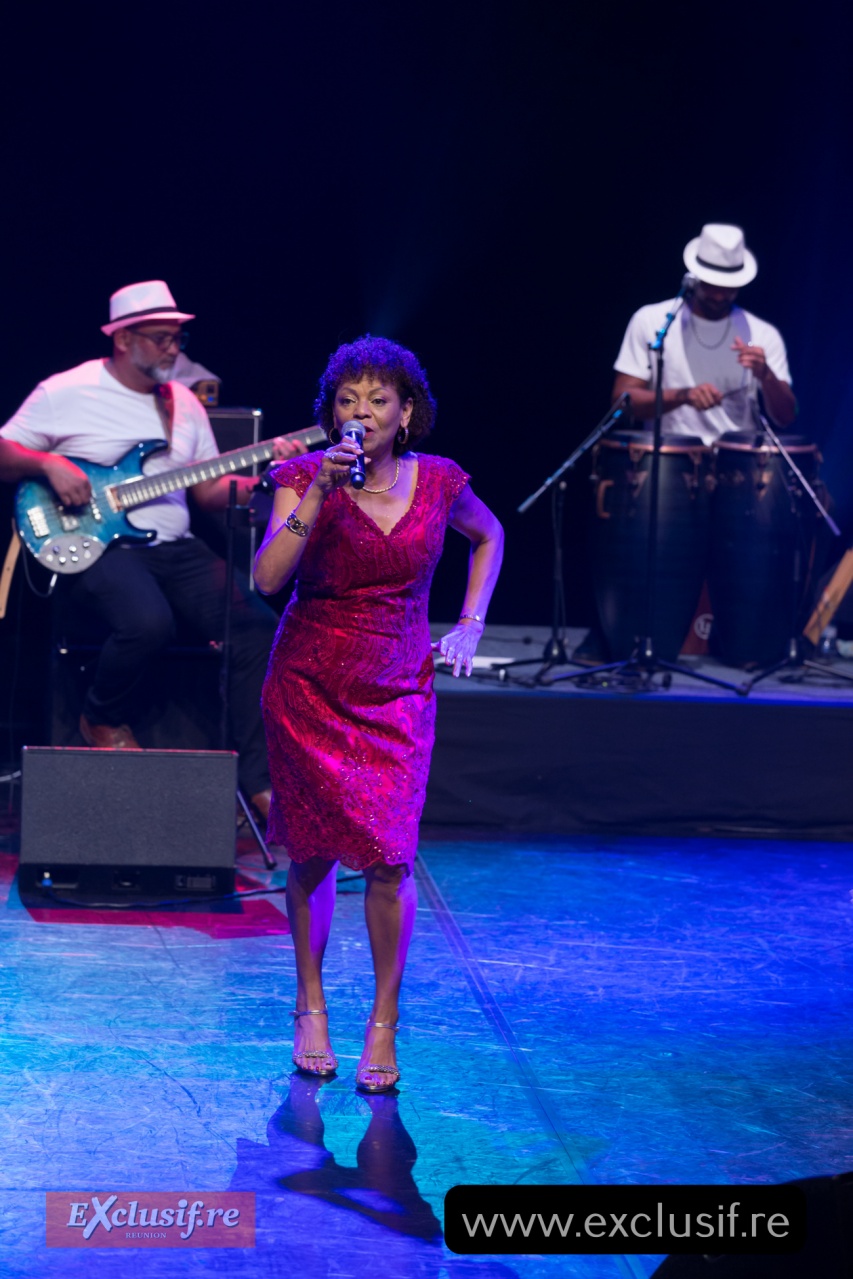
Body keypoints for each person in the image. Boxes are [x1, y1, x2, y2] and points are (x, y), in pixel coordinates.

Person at [254, 336, 503, 1092]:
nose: (361, 413)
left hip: (397, 689)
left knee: (391, 856)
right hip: (309, 686)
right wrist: (319, 494)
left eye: (377, 400)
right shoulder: (301, 476)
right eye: (347, 401)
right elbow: (267, 578)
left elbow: (488, 535)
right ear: (332, 413)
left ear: (406, 411)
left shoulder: (441, 481)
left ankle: (384, 1020)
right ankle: (310, 1006)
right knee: (312, 852)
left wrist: (470, 621)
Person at [0, 280, 302, 818]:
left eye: (177, 339)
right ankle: (100, 716)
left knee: (258, 626)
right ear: (123, 339)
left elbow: (208, 494)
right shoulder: (66, 390)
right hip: (100, 544)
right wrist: (49, 464)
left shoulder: (183, 403)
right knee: (147, 621)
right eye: (161, 338)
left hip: (175, 548)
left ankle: (257, 780)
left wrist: (267, 475)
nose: (173, 349)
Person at [612, 223, 797, 443]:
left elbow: (787, 416)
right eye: (712, 284)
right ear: (696, 277)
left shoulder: (763, 333)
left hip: (736, 459)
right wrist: (682, 396)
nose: (719, 296)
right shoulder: (652, 320)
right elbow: (622, 403)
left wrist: (766, 375)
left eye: (729, 287)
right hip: (668, 457)